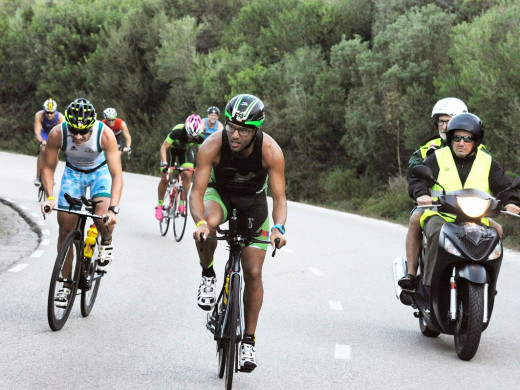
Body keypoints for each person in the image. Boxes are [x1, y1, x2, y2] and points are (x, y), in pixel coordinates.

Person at [190, 94, 288, 372]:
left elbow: (279, 198)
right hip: (219, 194)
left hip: (253, 202)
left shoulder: (270, 151)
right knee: (208, 226)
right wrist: (199, 224)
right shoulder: (212, 145)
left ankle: (248, 340)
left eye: (243, 130)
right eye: (231, 126)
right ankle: (208, 275)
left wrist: (279, 228)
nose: (234, 134)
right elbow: (196, 192)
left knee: (253, 272)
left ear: (256, 130)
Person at [408, 112, 520, 287]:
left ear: (475, 141)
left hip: (475, 217)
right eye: (457, 138)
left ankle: (489, 283)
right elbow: (419, 178)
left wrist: (512, 202)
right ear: (451, 138)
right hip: (441, 215)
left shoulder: (487, 162)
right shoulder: (437, 157)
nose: (461, 143)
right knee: (437, 232)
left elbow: (504, 187)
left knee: (496, 231)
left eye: (467, 139)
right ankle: (428, 284)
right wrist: (421, 193)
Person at [41, 98, 123, 307]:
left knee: (103, 218)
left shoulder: (104, 134)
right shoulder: (58, 133)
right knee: (64, 229)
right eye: (74, 132)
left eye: (83, 132)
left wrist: (113, 209)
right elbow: (48, 168)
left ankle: (106, 241)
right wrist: (50, 197)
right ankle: (66, 285)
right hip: (73, 175)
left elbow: (117, 175)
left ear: (91, 126)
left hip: (99, 174)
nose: (77, 137)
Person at [399, 97, 468, 289]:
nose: (445, 126)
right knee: (415, 220)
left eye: (449, 121)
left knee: (496, 229)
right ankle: (412, 274)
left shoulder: (474, 149)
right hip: (433, 207)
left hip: (467, 209)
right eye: (441, 121)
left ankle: (487, 278)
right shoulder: (427, 149)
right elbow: (413, 175)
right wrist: (421, 193)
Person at [155, 114, 204, 220]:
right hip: (170, 151)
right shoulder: (177, 132)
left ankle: (182, 201)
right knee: (166, 177)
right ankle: (160, 205)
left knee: (188, 174)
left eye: (193, 137)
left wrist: (201, 168)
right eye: (190, 135)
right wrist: (164, 164)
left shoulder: (200, 136)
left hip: (185, 152)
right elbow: (164, 148)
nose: (191, 138)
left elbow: (202, 154)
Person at [33, 98, 65, 186]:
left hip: (56, 135)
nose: (49, 115)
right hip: (45, 134)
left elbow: (63, 133)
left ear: (55, 111)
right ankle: (38, 177)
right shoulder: (39, 115)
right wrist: (42, 141)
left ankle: (51, 176)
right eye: (47, 112)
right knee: (43, 150)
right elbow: (37, 132)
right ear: (44, 111)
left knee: (55, 154)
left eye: (52, 112)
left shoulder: (61, 118)